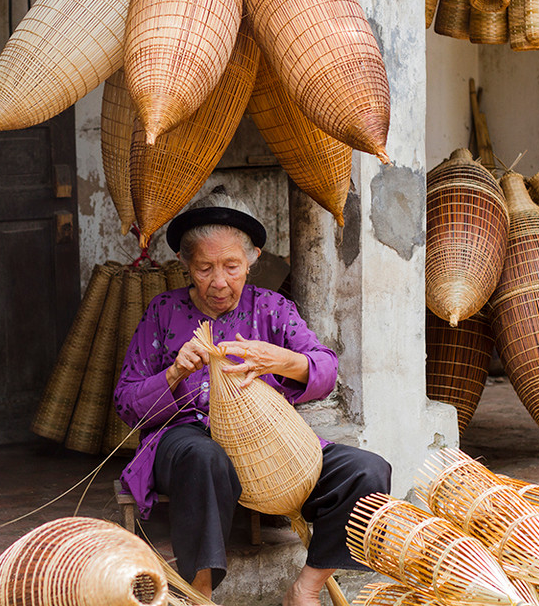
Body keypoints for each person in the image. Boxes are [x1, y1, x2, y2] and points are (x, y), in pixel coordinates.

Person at [113, 192, 391, 606]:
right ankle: (199, 594)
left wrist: (284, 360)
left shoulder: (272, 309)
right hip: (189, 440)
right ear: (187, 266)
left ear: (253, 258)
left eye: (231, 266)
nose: (219, 282)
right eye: (204, 268)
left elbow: (326, 370)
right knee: (203, 457)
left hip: (271, 446)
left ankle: (306, 588)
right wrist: (173, 374)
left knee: (368, 471)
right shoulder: (163, 312)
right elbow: (126, 402)